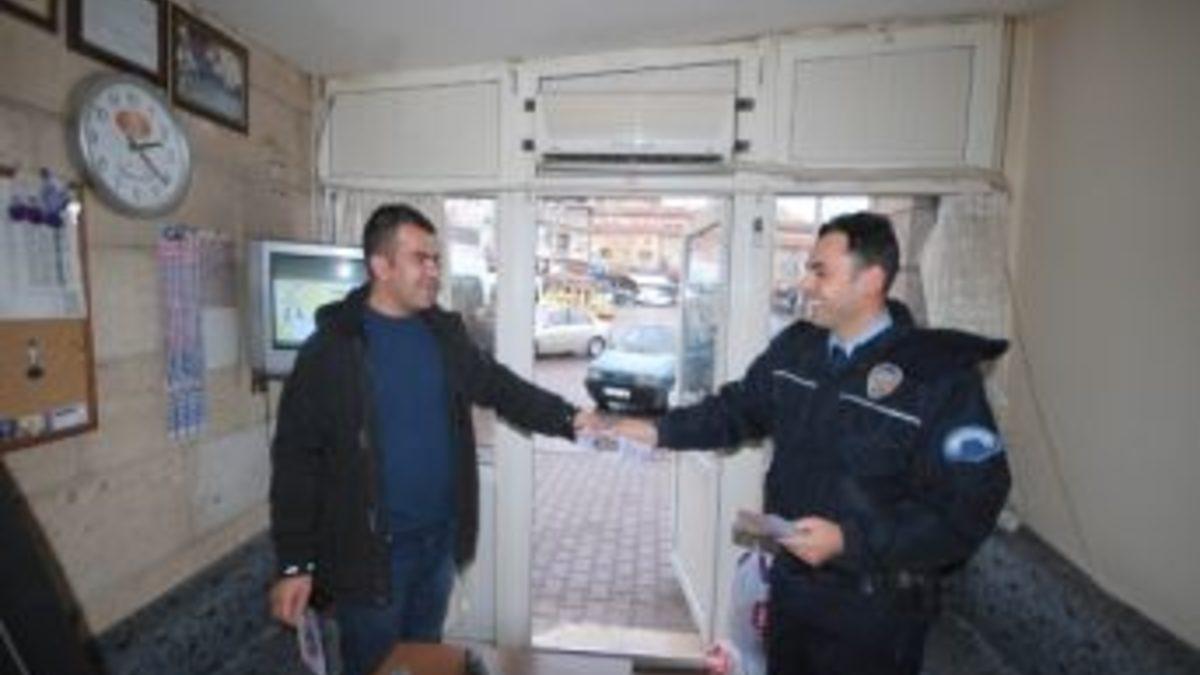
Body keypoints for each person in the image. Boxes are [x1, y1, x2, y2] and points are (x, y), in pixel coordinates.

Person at [605, 211, 1011, 675]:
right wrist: (657, 431)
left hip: (876, 616)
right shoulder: (798, 348)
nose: (805, 284)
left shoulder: (938, 377)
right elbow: (736, 409)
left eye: (821, 272)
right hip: (792, 595)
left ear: (871, 280)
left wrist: (849, 541)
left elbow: (970, 506)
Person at [268, 203, 601, 675]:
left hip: (438, 546)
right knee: (376, 667)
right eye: (419, 259)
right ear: (381, 266)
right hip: (372, 559)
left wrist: (570, 418)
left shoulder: (444, 336)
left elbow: (500, 387)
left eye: (436, 260)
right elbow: (296, 463)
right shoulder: (330, 351)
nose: (433, 272)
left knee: (424, 660)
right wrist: (293, 563)